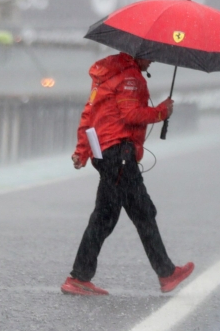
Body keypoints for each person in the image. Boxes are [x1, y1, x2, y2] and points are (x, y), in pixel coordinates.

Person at [61, 52, 195, 296]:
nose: (152, 61)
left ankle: (80, 276)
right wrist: (162, 112)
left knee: (109, 216)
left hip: (105, 154)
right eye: (149, 56)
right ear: (138, 55)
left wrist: (82, 149)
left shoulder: (106, 75)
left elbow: (89, 114)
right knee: (139, 214)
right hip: (120, 155)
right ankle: (165, 273)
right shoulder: (131, 78)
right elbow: (131, 115)